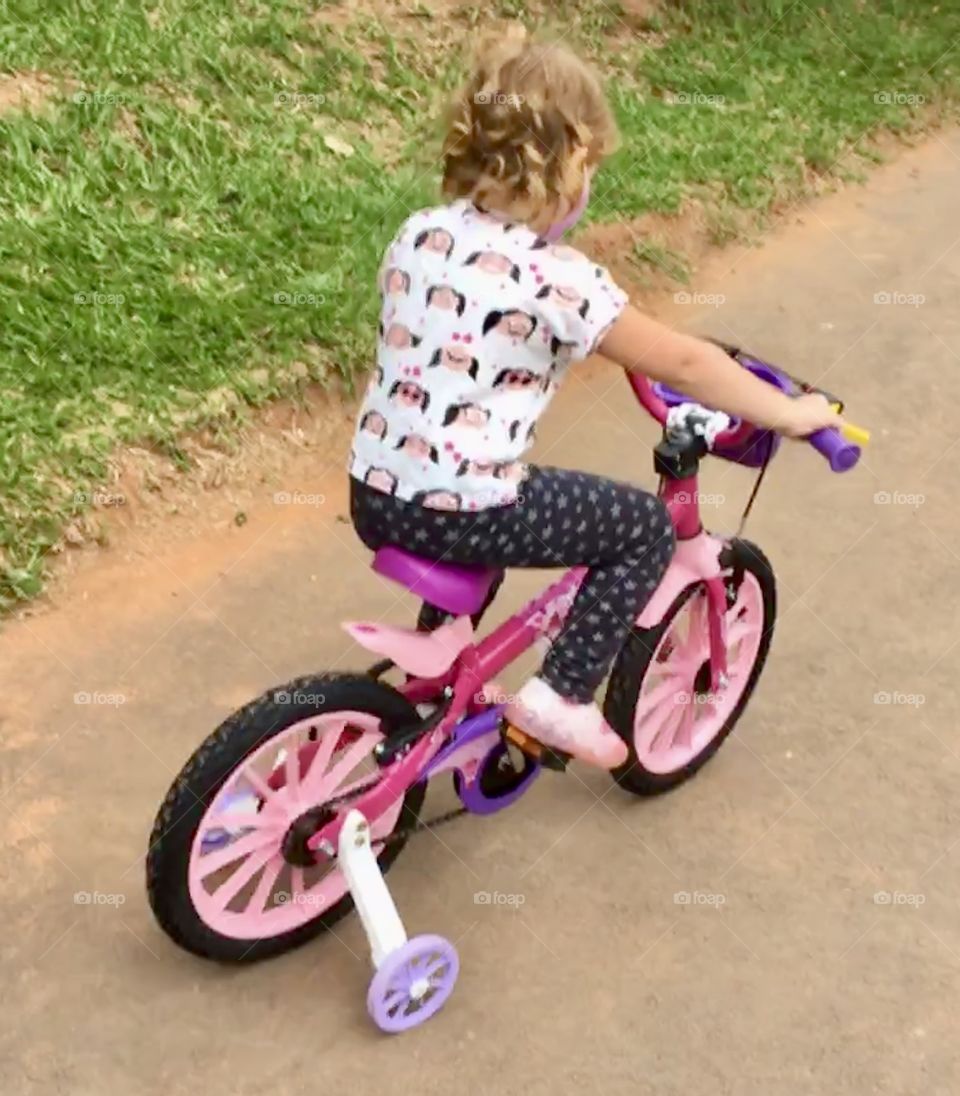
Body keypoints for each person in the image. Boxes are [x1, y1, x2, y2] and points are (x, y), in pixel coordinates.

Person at [347, 23, 840, 769]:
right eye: (588, 164)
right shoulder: (558, 278)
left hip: (376, 492)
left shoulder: (422, 234)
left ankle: (447, 637)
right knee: (638, 527)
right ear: (563, 163)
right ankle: (560, 697)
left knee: (493, 495)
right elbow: (682, 361)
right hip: (461, 505)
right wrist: (792, 413)